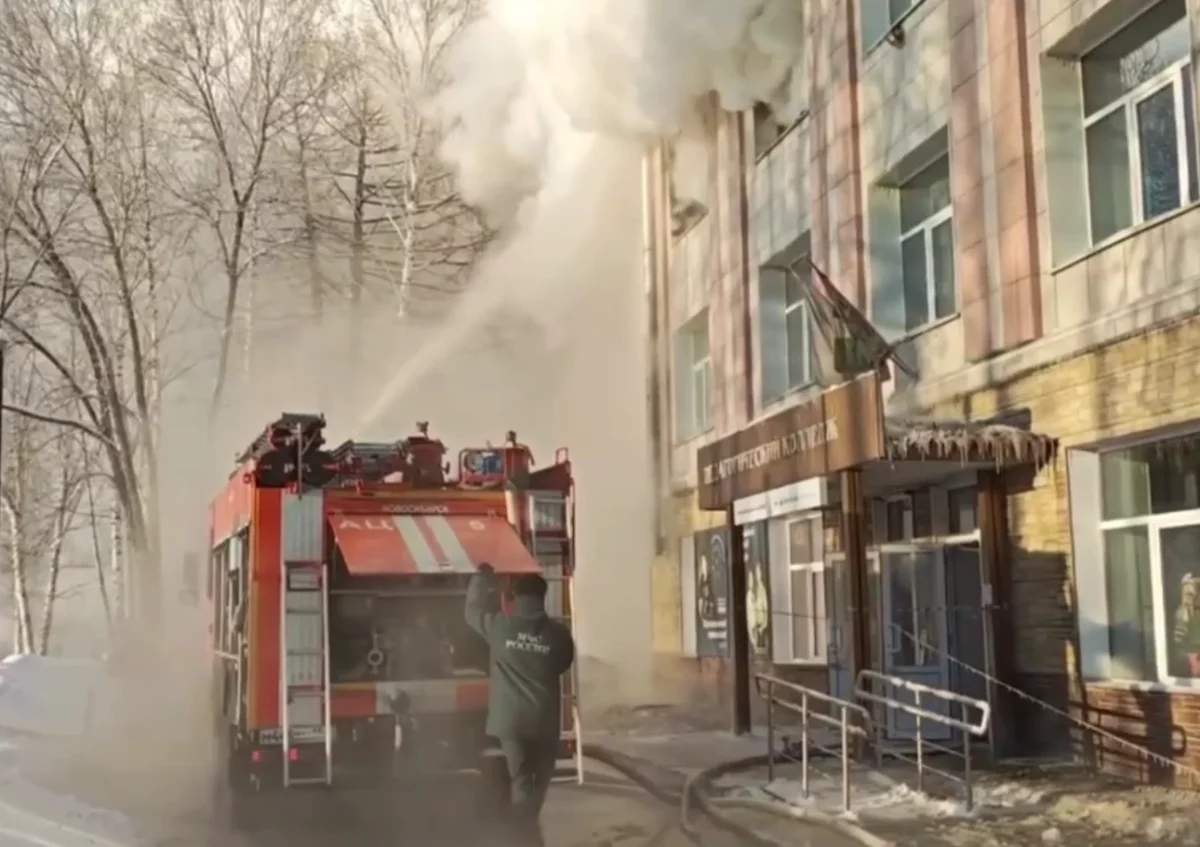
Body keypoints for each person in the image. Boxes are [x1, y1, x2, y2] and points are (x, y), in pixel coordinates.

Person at [465, 563, 574, 846]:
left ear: (515, 597)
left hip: (511, 723)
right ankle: (526, 834)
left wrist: (481, 578)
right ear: (542, 597)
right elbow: (564, 662)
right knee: (540, 782)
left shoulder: (500, 626)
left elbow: (472, 612)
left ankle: (522, 836)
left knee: (522, 780)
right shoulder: (558, 634)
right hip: (544, 722)